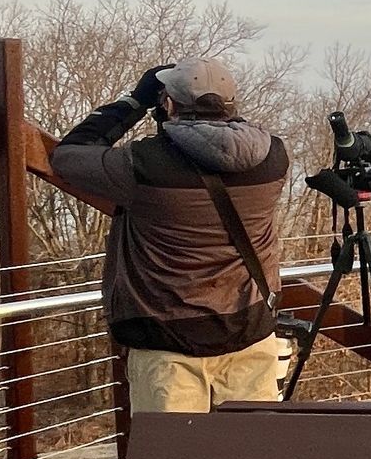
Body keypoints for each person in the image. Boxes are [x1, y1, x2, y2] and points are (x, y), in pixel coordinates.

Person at [52, 58, 290, 419]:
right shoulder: (273, 156)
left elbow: (68, 155)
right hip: (250, 330)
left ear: (169, 103)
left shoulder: (141, 165)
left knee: (172, 453)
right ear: (230, 104)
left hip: (167, 342)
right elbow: (225, 146)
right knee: (248, 451)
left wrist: (135, 102)